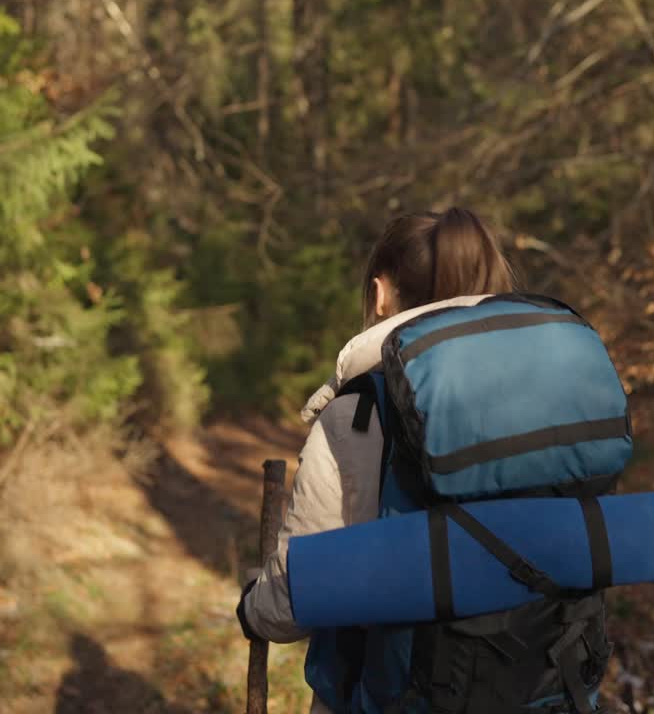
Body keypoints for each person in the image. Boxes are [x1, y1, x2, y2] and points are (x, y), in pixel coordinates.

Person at [237, 207, 608, 713]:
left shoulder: (363, 411)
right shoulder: (552, 401)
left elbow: (295, 598)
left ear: (380, 293)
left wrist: (251, 609)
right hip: (553, 692)